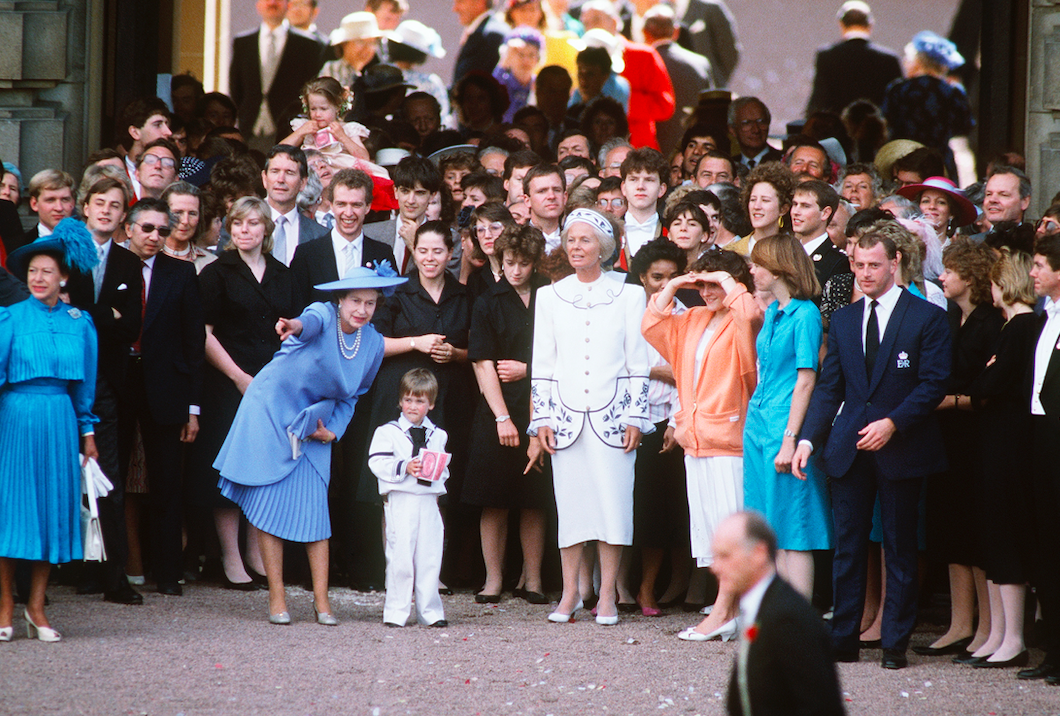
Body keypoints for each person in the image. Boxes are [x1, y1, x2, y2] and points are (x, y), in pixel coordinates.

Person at [793, 229, 951, 670]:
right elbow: (830, 388)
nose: (864, 273)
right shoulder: (843, 320)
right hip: (848, 446)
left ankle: (894, 644)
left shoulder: (926, 318)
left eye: (873, 265)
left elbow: (934, 382)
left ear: (895, 262)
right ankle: (843, 638)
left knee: (899, 546)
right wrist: (808, 439)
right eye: (858, 265)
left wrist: (893, 422)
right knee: (847, 545)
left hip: (902, 445)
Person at [215, 263, 405, 624]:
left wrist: (333, 432)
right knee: (269, 509)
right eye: (354, 301)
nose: (362, 310)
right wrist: (292, 326)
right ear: (340, 300)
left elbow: (353, 397)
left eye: (370, 302)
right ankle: (277, 598)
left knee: (316, 514)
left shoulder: (374, 344)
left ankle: (322, 602)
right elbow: (306, 323)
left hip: (316, 422)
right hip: (271, 410)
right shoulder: (321, 313)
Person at [530, 208, 652, 625]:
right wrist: (541, 418)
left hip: (613, 419)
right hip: (565, 419)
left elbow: (639, 362)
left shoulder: (630, 294)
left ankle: (607, 597)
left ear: (603, 248)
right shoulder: (550, 295)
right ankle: (569, 595)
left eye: (585, 240)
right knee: (572, 508)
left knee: (613, 506)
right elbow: (542, 363)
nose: (576, 247)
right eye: (570, 240)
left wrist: (636, 416)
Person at [642, 249, 762, 641]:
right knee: (712, 533)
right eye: (703, 284)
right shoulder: (693, 317)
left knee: (733, 533)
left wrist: (728, 282)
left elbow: (748, 312)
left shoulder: (745, 317)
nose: (708, 291)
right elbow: (652, 323)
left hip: (729, 439)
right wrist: (678, 283)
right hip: (695, 438)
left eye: (715, 284)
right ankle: (730, 612)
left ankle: (728, 613)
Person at [0, 220, 99, 643]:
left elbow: (86, 388)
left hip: (60, 421)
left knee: (51, 514)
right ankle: (5, 607)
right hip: (16, 419)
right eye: (32, 272)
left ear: (63, 276)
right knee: (12, 516)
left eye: (47, 272)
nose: (38, 279)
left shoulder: (81, 323)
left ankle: (37, 609)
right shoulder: (9, 317)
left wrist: (87, 433)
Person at [189, 197, 294, 590]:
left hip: (273, 385)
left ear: (266, 229)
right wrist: (237, 376)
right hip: (229, 382)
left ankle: (256, 554)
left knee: (263, 470)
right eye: (238, 223)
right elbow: (203, 333)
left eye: (253, 223)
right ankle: (231, 559)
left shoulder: (284, 274)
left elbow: (295, 328)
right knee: (229, 469)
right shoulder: (216, 273)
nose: (245, 229)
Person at [63, 177, 143, 605]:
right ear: (86, 208)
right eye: (100, 203)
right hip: (62, 380)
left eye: (116, 205)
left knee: (108, 477)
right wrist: (101, 313)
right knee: (60, 472)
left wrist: (89, 314)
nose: (107, 211)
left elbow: (130, 327)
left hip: (108, 384)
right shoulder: (63, 254)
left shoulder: (129, 264)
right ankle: (66, 570)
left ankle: (114, 576)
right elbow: (61, 312)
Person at [462, 224, 549, 605]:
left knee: (535, 497)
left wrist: (527, 369)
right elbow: (482, 363)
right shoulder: (489, 301)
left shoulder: (551, 296)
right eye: (509, 262)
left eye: (524, 263)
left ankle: (532, 580)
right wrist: (502, 417)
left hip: (543, 402)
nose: (515, 270)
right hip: (497, 406)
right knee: (493, 496)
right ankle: (493, 579)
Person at [743, 235, 831, 600]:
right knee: (769, 526)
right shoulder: (774, 312)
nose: (752, 270)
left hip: (784, 423)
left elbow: (807, 378)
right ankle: (777, 615)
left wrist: (790, 438)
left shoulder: (805, 313)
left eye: (757, 264)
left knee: (794, 528)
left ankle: (799, 623)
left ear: (778, 267)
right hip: (760, 421)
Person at [961, 249, 1036, 668]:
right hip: (997, 439)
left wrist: (986, 373)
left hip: (1008, 441)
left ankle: (1013, 637)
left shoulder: (1022, 326)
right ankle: (1000, 634)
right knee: (994, 533)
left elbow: (988, 383)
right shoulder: (1017, 326)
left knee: (1005, 533)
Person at [715, 512, 845, 716]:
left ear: (758, 553)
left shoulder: (788, 618)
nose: (715, 567)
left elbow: (821, 707)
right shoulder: (761, 604)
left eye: (725, 556)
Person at [625, 238, 688, 615]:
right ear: (643, 278)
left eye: (673, 277)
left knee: (661, 512)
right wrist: (658, 371)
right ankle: (614, 587)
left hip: (667, 421)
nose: (664, 284)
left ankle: (649, 588)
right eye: (657, 277)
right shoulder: (627, 310)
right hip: (623, 420)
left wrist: (677, 420)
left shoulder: (686, 315)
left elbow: (690, 373)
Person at [369, 368, 450, 627]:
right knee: (400, 557)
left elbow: (444, 470)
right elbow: (377, 462)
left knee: (429, 557)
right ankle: (396, 612)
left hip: (428, 501)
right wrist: (405, 466)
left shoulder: (438, 434)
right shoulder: (387, 432)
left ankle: (431, 612)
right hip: (401, 499)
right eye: (408, 399)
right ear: (400, 401)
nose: (413, 406)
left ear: (431, 404)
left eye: (420, 401)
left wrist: (436, 470)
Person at [291, 169, 397, 310]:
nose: (348, 213)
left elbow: (391, 306)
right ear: (331, 205)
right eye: (341, 204)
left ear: (368, 207)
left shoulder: (382, 252)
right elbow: (296, 309)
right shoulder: (307, 254)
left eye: (356, 205)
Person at [229, 0, 325, 152]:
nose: (272, 3)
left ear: (288, 4)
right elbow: (236, 87)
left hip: (290, 130)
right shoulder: (243, 42)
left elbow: (311, 90)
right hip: (251, 129)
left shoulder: (308, 45)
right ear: (258, 4)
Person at [881, 31, 972, 179]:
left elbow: (887, 124)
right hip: (941, 162)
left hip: (906, 162)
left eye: (909, 58)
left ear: (919, 61)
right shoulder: (952, 91)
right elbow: (965, 127)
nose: (905, 62)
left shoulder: (899, 89)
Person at [805, 0, 902, 115]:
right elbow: (899, 103)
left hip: (838, 130)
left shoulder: (826, 56)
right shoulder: (889, 59)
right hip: (876, 131)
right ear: (870, 25)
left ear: (841, 25)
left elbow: (819, 99)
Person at [643, 5, 714, 157]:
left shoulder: (641, 63)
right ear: (676, 31)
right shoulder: (700, 63)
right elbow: (710, 112)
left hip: (650, 151)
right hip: (693, 152)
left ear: (644, 32)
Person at [262, 145, 330, 267]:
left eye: (289, 173)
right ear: (264, 178)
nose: (281, 179)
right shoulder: (241, 224)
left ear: (303, 183)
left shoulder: (320, 235)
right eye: (275, 171)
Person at [728, 162, 796, 257]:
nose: (756, 206)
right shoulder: (731, 252)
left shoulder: (794, 253)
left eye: (765, 200)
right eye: (753, 200)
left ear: (783, 209)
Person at [896, 176, 977, 251]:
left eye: (941, 202)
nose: (932, 206)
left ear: (952, 212)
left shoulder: (959, 253)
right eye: (926, 201)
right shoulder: (905, 248)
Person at [161, 182, 217, 272]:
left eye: (192, 213)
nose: (185, 221)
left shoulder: (212, 264)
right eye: (178, 213)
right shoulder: (147, 257)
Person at [452, 0, 509, 84]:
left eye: (460, 2)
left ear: (479, 2)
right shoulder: (481, 32)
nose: (455, 9)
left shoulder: (491, 35)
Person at [728, 98, 782, 170]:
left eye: (761, 122)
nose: (756, 130)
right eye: (747, 123)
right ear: (732, 130)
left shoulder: (783, 160)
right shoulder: (730, 166)